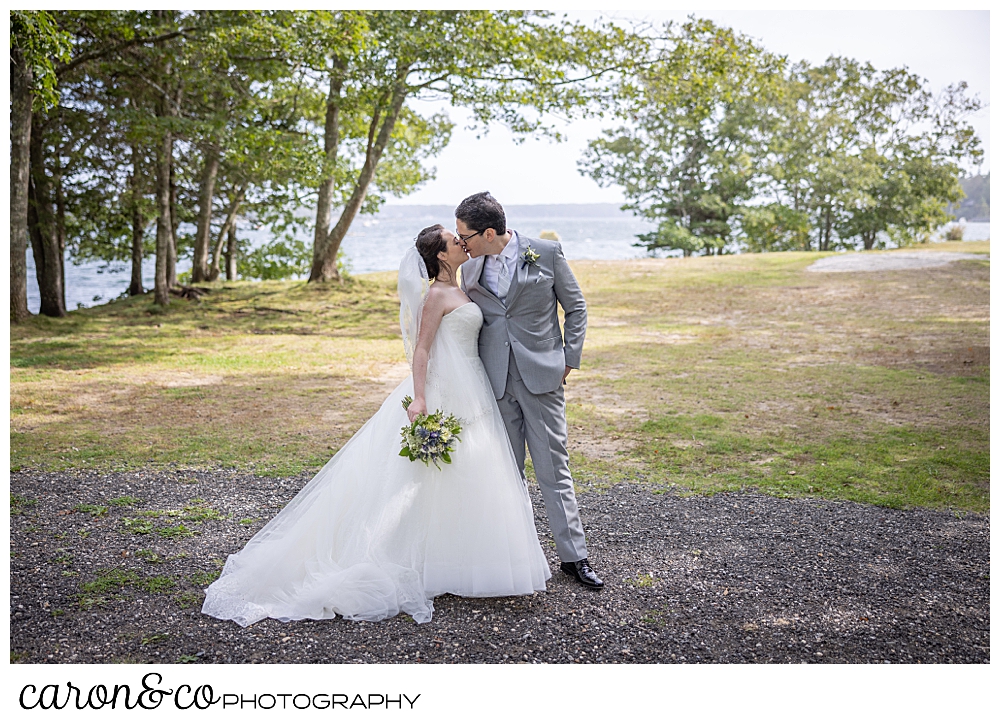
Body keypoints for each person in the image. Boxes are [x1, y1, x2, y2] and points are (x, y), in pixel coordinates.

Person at [202, 225, 550, 627]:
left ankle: (461, 559)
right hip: (443, 390)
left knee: (467, 473)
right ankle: (423, 560)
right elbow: (422, 349)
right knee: (426, 476)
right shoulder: (436, 295)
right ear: (441, 255)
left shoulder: (466, 284)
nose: (461, 242)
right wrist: (420, 398)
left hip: (473, 391)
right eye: (454, 241)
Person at [456, 192, 604, 590]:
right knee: (505, 472)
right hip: (496, 383)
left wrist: (568, 360)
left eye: (465, 236)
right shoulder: (469, 272)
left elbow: (576, 308)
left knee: (554, 469)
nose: (461, 244)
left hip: (542, 379)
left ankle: (575, 558)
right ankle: (517, 556)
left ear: (489, 233)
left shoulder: (547, 253)